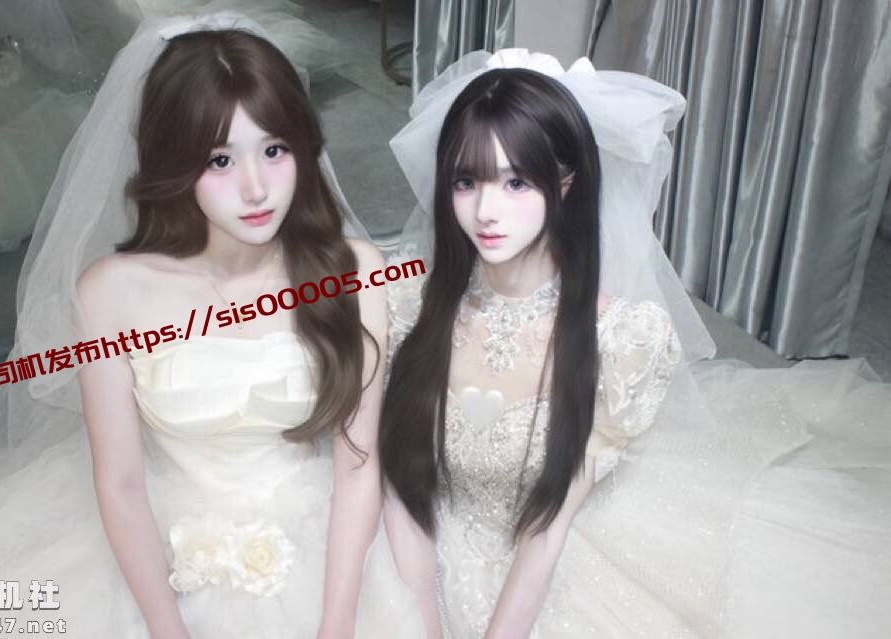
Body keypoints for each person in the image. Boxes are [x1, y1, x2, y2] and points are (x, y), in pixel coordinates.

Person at [0, 14, 422, 639]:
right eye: (220, 159)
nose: (256, 188)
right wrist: (168, 629)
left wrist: (336, 624)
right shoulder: (112, 293)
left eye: (274, 150)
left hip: (326, 534)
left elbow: (357, 466)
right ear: (174, 163)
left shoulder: (354, 271)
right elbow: (120, 483)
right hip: (163, 535)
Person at [380, 50, 891, 638]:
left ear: (566, 184)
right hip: (419, 547)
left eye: (516, 182)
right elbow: (398, 484)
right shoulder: (408, 305)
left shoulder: (620, 339)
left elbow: (547, 527)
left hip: (552, 554)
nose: (486, 211)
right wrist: (421, 620)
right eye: (466, 182)